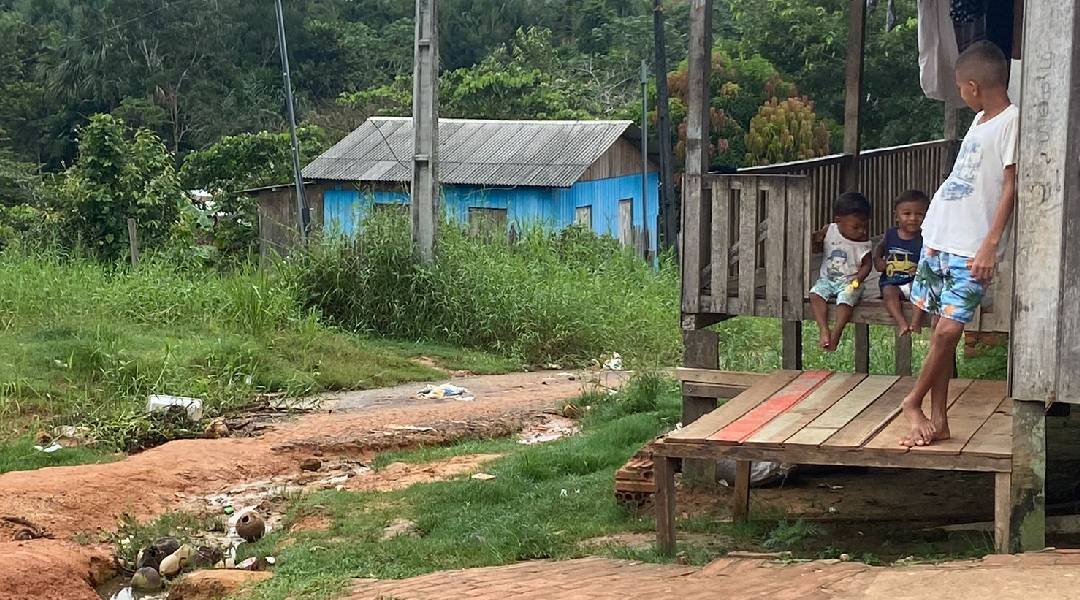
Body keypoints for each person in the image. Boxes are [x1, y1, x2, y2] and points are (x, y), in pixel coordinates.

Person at [901, 40, 1018, 447]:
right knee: (938, 328)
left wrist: (990, 244)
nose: (962, 95)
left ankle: (911, 402)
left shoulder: (1011, 121)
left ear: (972, 86)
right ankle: (939, 417)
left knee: (948, 332)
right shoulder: (981, 119)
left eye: (960, 89)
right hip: (940, 234)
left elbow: (1010, 186)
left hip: (972, 246)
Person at [809, 192, 873, 352]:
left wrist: (857, 280)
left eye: (864, 226)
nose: (861, 231)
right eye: (856, 227)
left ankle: (837, 331)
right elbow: (816, 242)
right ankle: (823, 328)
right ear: (838, 221)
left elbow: (867, 265)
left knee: (845, 299)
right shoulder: (829, 230)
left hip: (850, 281)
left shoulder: (863, 244)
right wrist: (816, 240)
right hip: (827, 279)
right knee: (815, 295)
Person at [873, 190, 930, 337]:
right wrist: (878, 260)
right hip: (892, 283)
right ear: (896, 216)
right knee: (888, 292)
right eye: (907, 214)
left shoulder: (926, 237)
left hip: (914, 283)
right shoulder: (891, 234)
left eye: (919, 214)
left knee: (923, 289)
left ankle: (916, 322)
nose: (913, 218)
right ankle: (902, 323)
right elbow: (879, 248)